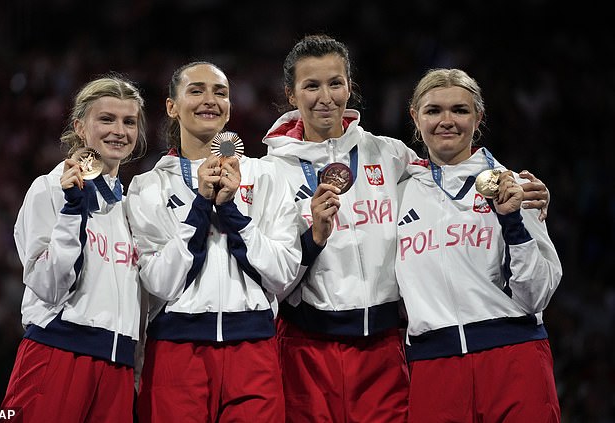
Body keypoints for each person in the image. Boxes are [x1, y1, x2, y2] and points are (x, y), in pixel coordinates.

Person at [262, 34, 552, 423]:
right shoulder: (267, 172)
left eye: (335, 83)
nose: (325, 96)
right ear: (291, 94)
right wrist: (311, 239)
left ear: (350, 86)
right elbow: (269, 274)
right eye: (311, 85)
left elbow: (450, 173)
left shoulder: (391, 156)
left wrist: (524, 192)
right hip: (306, 346)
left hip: (386, 349)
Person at [126, 61, 302, 422]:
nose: (210, 100)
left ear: (229, 108)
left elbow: (283, 272)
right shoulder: (147, 187)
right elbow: (161, 281)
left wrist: (233, 213)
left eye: (220, 93)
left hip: (253, 350)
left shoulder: (266, 176)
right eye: (196, 91)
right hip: (176, 353)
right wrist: (200, 207)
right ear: (172, 107)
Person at [396, 68, 562, 422]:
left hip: (513, 359)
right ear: (415, 116)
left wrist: (512, 222)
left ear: (478, 117)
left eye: (460, 110)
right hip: (433, 365)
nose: (447, 121)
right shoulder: (399, 192)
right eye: (433, 110)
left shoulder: (514, 186)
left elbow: (537, 295)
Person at [1, 75, 148, 422]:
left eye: (129, 122)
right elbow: (48, 285)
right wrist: (72, 211)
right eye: (106, 119)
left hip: (118, 368)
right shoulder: (48, 189)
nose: (119, 131)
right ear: (81, 127)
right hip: (58, 353)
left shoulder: (133, 207)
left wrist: (136, 369)